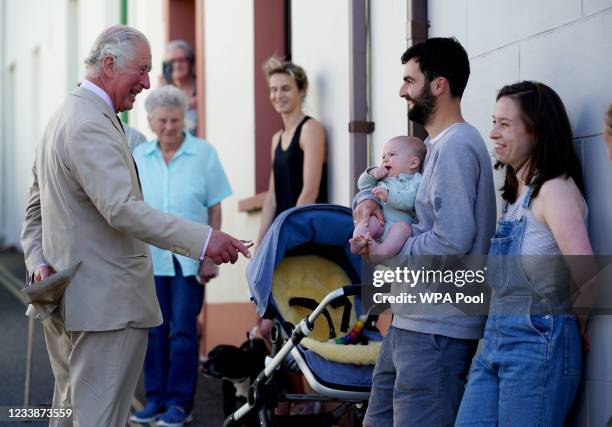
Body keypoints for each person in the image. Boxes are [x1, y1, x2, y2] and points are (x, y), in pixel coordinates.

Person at [20, 25, 250, 427]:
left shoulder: (64, 114)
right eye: (141, 70)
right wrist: (205, 239)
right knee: (98, 419)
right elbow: (122, 209)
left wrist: (39, 262)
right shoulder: (91, 122)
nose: (147, 82)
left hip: (69, 297)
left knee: (70, 414)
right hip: (103, 307)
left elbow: (34, 210)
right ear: (109, 64)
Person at [354, 37, 497, 426]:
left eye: (409, 80)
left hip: (437, 329)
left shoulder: (455, 147)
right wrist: (365, 206)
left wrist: (389, 253)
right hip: (411, 321)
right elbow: (391, 199)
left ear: (438, 85)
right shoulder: (433, 147)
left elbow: (452, 239)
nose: (402, 90)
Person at [455, 81, 592, 425]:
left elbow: (589, 275)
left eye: (505, 123)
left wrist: (569, 329)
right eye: (493, 122)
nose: (493, 133)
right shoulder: (515, 195)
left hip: (536, 341)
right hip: (495, 338)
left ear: (537, 130)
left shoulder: (555, 190)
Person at [128, 85, 231, 426]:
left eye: (174, 120)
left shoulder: (204, 153)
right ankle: (155, 400)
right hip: (150, 260)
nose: (169, 127)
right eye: (162, 121)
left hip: (190, 260)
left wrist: (210, 256)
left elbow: (215, 208)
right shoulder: (140, 158)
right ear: (151, 122)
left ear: (183, 119)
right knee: (154, 331)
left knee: (183, 332)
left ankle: (180, 405)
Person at [256, 56, 328, 246]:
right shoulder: (276, 138)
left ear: (302, 91)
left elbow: (310, 192)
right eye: (273, 89)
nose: (278, 95)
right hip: (283, 232)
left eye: (285, 88)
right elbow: (272, 198)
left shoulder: (311, 129)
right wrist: (261, 245)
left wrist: (290, 235)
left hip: (304, 234)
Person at [350, 136, 425, 256]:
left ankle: (380, 253)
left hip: (396, 227)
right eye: (383, 157)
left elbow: (410, 200)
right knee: (367, 221)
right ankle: (359, 239)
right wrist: (372, 173)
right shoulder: (383, 178)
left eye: (391, 155)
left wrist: (389, 196)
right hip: (380, 222)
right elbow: (363, 185)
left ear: (413, 163)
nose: (385, 159)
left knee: (404, 228)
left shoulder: (415, 181)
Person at [162, 40, 198, 135]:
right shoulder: (165, 92)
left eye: (181, 60)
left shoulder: (201, 89)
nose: (177, 65)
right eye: (172, 61)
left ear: (191, 63)